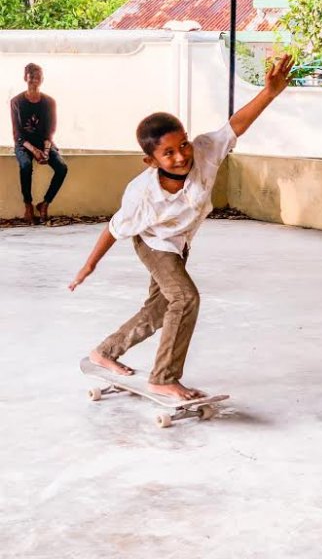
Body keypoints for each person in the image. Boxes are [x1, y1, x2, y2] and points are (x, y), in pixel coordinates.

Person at [69, 54, 294, 400]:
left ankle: (106, 352)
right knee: (185, 299)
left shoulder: (204, 150)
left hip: (180, 243)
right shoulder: (142, 194)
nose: (182, 156)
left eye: (183, 144)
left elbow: (235, 125)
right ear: (152, 160)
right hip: (155, 244)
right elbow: (114, 229)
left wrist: (270, 93)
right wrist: (88, 266)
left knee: (160, 309)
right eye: (169, 153)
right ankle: (164, 376)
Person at [11, 63, 68, 223]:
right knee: (25, 166)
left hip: (45, 144)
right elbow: (17, 134)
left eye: (38, 78)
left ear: (42, 79)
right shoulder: (17, 102)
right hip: (24, 144)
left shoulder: (49, 102)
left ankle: (45, 203)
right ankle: (28, 205)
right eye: (31, 78)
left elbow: (50, 130)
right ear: (25, 78)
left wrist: (47, 151)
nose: (34, 81)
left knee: (62, 167)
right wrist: (34, 151)